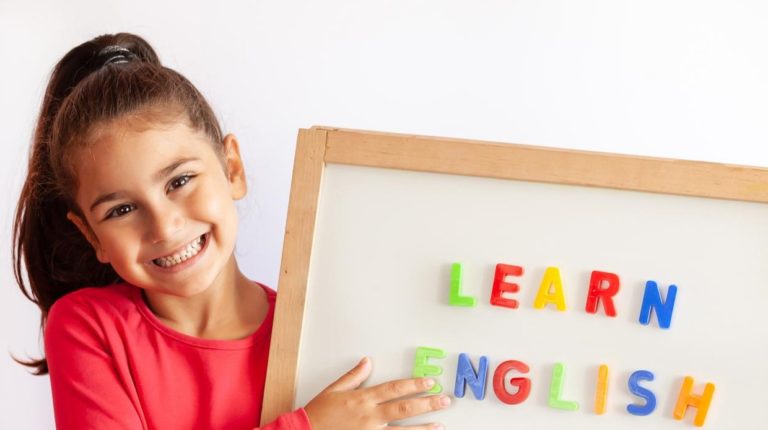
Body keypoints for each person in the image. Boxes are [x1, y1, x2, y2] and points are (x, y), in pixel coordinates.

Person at [12, 32, 451, 430]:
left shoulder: (312, 336)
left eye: (180, 181)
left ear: (233, 169)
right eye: (122, 209)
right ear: (92, 237)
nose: (164, 226)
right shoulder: (89, 328)